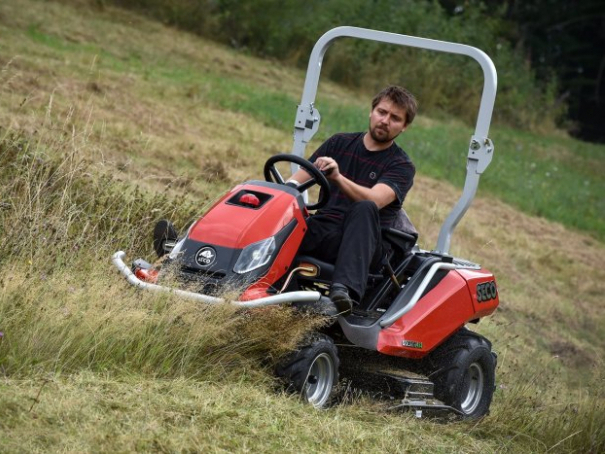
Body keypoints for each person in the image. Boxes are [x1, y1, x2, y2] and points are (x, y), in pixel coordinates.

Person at [287, 85, 417, 314]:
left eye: (395, 118)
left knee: (365, 207)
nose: (385, 121)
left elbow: (375, 200)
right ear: (371, 111)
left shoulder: (401, 165)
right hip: (326, 229)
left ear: (404, 127)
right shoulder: (339, 143)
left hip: (366, 245)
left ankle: (343, 293)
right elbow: (295, 183)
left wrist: (337, 177)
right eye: (382, 112)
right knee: (287, 220)